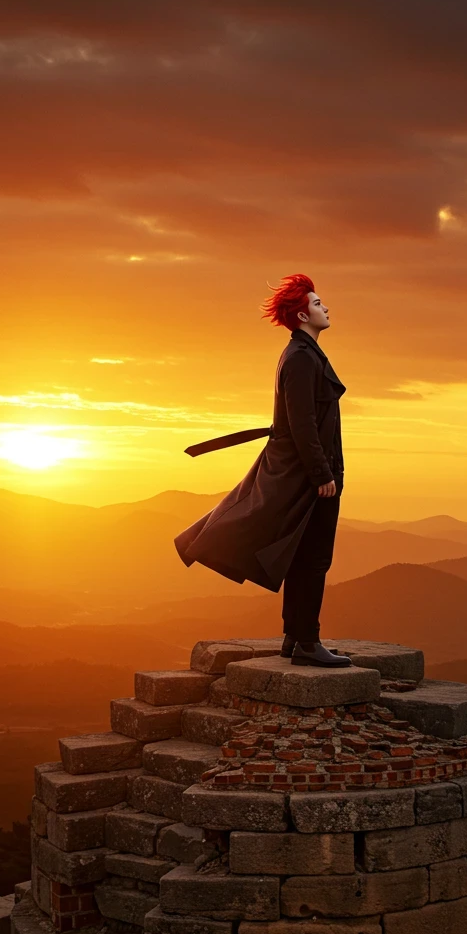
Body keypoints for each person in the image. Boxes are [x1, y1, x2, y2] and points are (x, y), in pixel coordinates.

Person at [174, 273, 351, 667]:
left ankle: (295, 638)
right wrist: (323, 474)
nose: (326, 308)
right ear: (304, 314)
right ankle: (307, 642)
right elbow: (302, 422)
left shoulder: (303, 355)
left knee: (302, 554)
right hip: (309, 475)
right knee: (315, 557)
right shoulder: (302, 359)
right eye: (319, 304)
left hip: (302, 471)